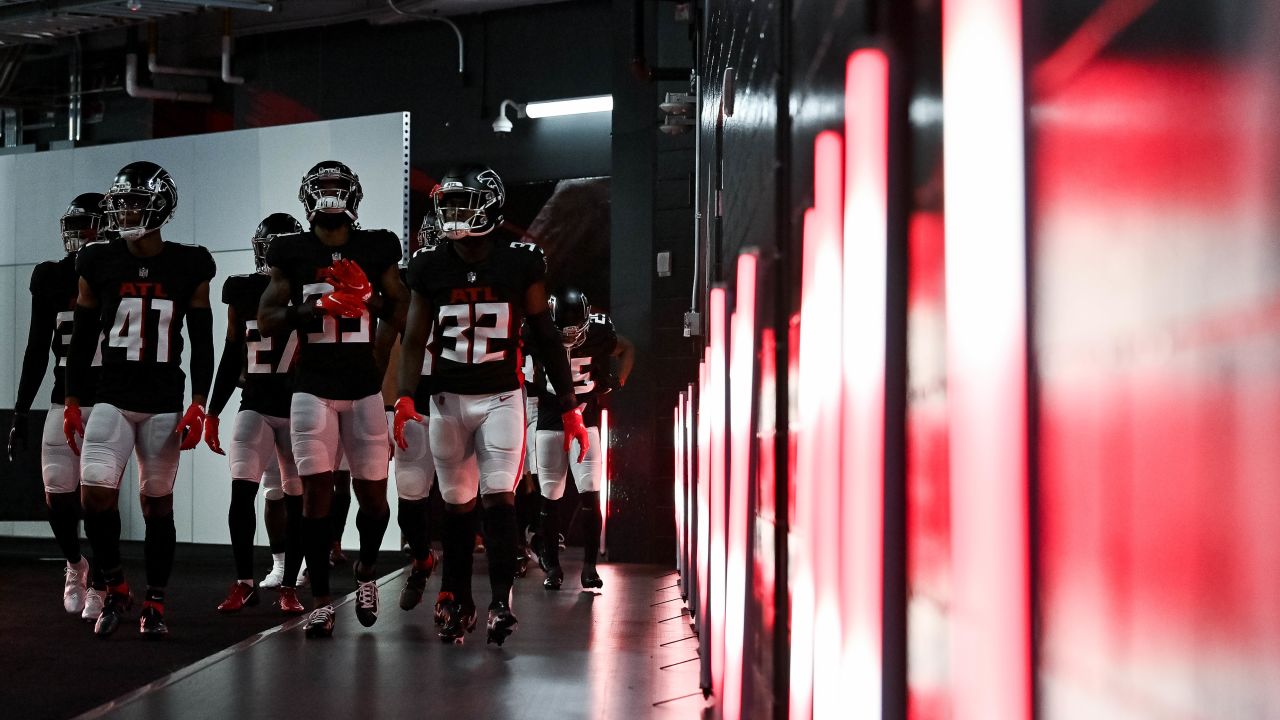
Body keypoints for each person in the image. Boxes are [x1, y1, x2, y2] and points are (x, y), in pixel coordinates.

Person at [394, 163, 589, 645]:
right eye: (449, 207)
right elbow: (415, 334)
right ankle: (459, 598)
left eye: (464, 205)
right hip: (447, 399)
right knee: (458, 510)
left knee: (499, 499)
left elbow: (544, 334)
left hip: (502, 396)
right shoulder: (430, 264)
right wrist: (402, 396)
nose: (454, 217)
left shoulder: (519, 261)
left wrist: (568, 406)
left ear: (491, 207)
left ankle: (502, 603)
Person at [64, 161, 216, 638]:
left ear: (162, 206)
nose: (125, 211)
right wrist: (72, 398)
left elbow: (203, 340)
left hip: (163, 401)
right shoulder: (96, 260)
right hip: (112, 395)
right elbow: (83, 336)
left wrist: (200, 403)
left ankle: (155, 599)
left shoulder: (189, 263)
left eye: (135, 201)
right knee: (93, 495)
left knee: (156, 505)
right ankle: (114, 586)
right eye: (121, 202)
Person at [258, 160, 408, 638]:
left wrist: (371, 299)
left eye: (335, 188)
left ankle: (365, 570)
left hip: (363, 386)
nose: (329, 196)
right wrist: (316, 305)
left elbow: (406, 310)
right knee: (315, 498)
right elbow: (267, 319)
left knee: (374, 500)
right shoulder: (293, 251)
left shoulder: (376, 246)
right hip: (312, 386)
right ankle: (321, 600)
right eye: (320, 189)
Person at [7, 193, 106, 620]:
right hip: (59, 397)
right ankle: (75, 563)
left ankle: (102, 581)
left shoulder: (117, 274)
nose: (76, 234)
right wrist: (19, 411)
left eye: (87, 225)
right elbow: (36, 348)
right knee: (56, 495)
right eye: (75, 225)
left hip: (109, 402)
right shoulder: (51, 276)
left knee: (100, 498)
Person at [206, 213, 307, 616]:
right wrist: (212, 409)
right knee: (242, 488)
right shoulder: (243, 290)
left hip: (301, 406)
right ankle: (244, 581)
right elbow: (233, 353)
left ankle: (289, 585)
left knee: (297, 498)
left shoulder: (308, 289)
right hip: (258, 403)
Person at [530, 287, 634, 590]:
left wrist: (616, 381)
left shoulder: (600, 333)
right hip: (551, 419)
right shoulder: (536, 330)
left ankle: (589, 567)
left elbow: (627, 348)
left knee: (590, 493)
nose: (570, 334)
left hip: (585, 419)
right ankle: (552, 566)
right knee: (550, 495)